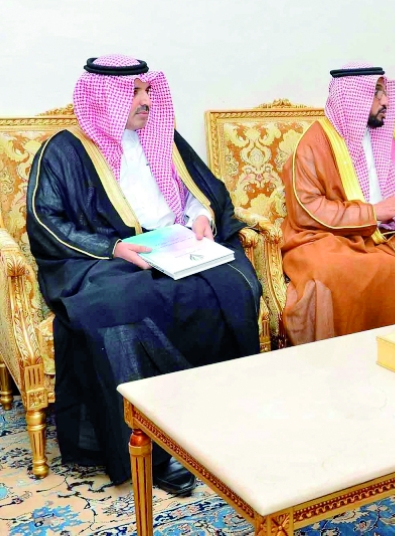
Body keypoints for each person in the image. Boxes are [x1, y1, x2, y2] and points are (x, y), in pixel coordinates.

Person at [27, 55, 262, 495]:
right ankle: (153, 445)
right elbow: (46, 220)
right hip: (107, 258)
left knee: (231, 286)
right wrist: (112, 248)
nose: (146, 101)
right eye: (134, 92)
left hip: (175, 247)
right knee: (122, 308)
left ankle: (222, 417)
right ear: (105, 98)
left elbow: (201, 191)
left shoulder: (163, 136)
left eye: (147, 90)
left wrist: (200, 216)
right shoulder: (64, 149)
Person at [280, 64, 395, 343]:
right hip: (329, 236)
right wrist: (373, 213)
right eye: (376, 93)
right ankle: (338, 355)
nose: (385, 101)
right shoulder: (314, 142)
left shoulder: (392, 132)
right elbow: (307, 207)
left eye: (385, 92)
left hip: (388, 233)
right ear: (353, 97)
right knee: (328, 272)